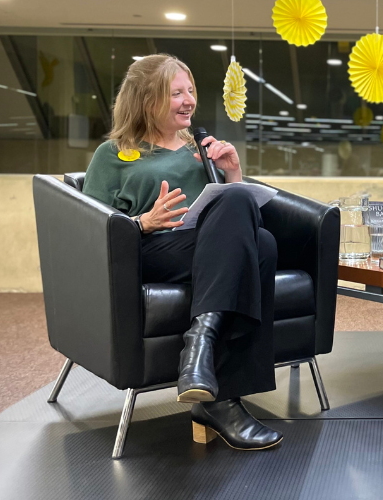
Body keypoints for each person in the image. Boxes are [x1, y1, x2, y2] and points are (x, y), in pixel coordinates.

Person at [82, 54, 282, 451]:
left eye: (190, 90)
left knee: (261, 241)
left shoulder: (200, 149)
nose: (188, 100)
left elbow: (231, 217)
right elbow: (89, 226)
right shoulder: (113, 154)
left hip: (203, 253)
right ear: (146, 99)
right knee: (261, 246)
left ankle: (203, 360)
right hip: (152, 249)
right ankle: (217, 387)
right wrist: (143, 221)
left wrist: (231, 174)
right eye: (176, 92)